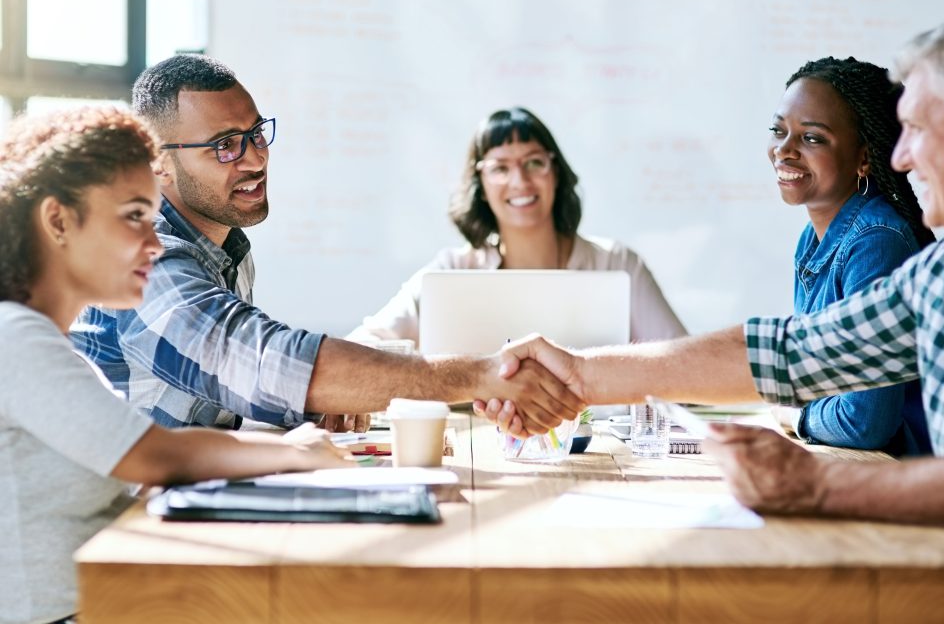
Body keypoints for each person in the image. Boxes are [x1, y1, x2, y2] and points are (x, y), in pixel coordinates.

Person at [482, 6, 944, 532]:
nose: (901, 157)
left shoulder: (884, 238)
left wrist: (815, 483)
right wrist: (578, 375)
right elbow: (796, 351)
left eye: (919, 128)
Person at [70, 56, 582, 437]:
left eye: (256, 134)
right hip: (111, 535)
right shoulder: (143, 256)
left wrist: (319, 403)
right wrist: (483, 375)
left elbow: (226, 389)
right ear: (156, 160)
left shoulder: (227, 249)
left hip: (177, 501)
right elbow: (255, 358)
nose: (254, 160)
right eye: (224, 144)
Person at [0, 106, 357, 623]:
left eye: (152, 218)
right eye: (132, 218)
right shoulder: (17, 337)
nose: (153, 244)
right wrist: (294, 452)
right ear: (58, 220)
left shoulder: (46, 342)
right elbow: (152, 455)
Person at [349, 106, 686, 346]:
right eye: (500, 168)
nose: (520, 181)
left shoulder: (618, 263)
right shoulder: (454, 271)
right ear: (480, 185)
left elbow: (682, 364)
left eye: (534, 162)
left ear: (555, 173)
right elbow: (366, 345)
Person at [768, 56, 933, 455]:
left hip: (903, 480)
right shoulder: (815, 236)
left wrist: (797, 417)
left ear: (864, 157)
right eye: (778, 130)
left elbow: (865, 422)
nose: (783, 150)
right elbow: (813, 377)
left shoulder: (877, 241)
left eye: (812, 138)